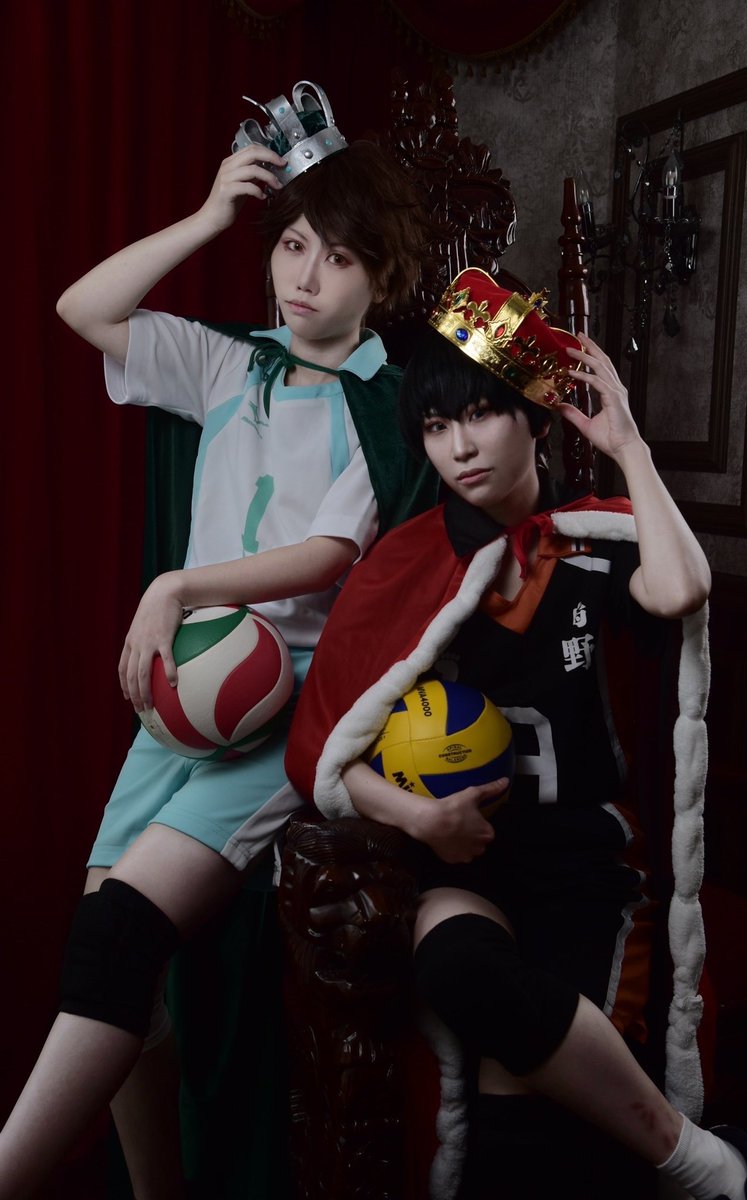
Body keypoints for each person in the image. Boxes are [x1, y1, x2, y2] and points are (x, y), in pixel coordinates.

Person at [0, 83, 437, 1200]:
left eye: (338, 256)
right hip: (179, 699)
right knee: (109, 960)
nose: (306, 276)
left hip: (279, 709)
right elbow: (82, 307)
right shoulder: (229, 365)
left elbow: (330, 554)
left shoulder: (386, 406)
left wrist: (179, 581)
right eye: (291, 245)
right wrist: (206, 217)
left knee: (118, 941)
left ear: (381, 277)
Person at [284, 268, 747, 1200]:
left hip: (585, 874)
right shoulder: (406, 563)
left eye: (481, 413)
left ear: (534, 415)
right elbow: (328, 753)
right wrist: (420, 819)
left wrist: (629, 445)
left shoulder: (598, 542)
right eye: (436, 426)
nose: (459, 447)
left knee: (532, 1134)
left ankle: (702, 1165)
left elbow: (682, 588)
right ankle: (714, 1165)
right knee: (457, 965)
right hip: (466, 865)